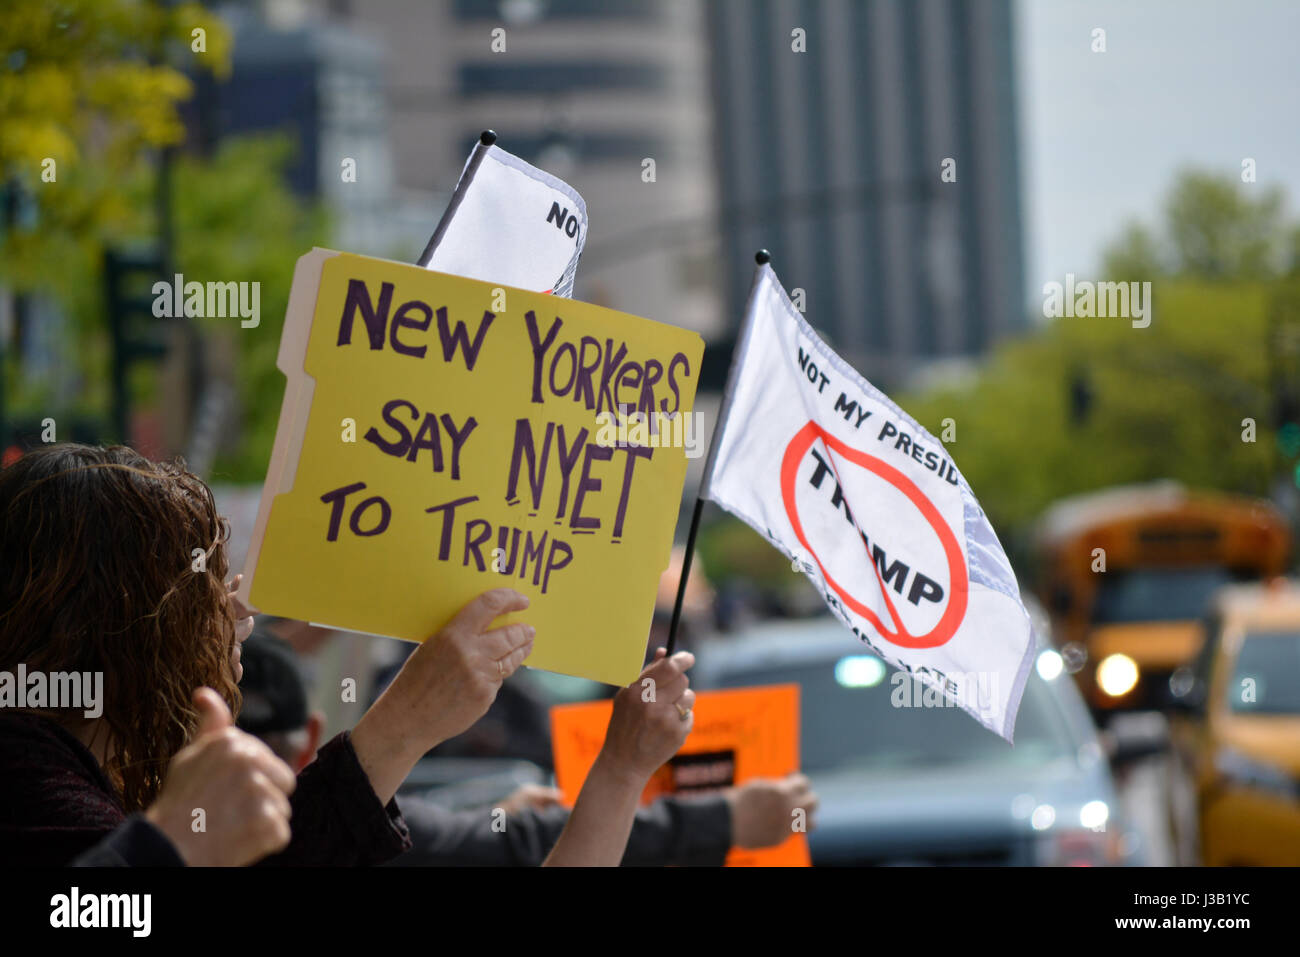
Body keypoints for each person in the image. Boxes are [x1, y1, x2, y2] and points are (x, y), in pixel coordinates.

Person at [0, 444, 695, 866]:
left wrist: (622, 768)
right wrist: (175, 844)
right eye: (204, 582)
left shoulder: (110, 781)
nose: (238, 608)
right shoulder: (31, 782)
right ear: (124, 622)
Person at [238, 629, 818, 866]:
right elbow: (523, 842)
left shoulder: (156, 837)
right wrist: (622, 769)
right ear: (310, 738)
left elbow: (514, 838)